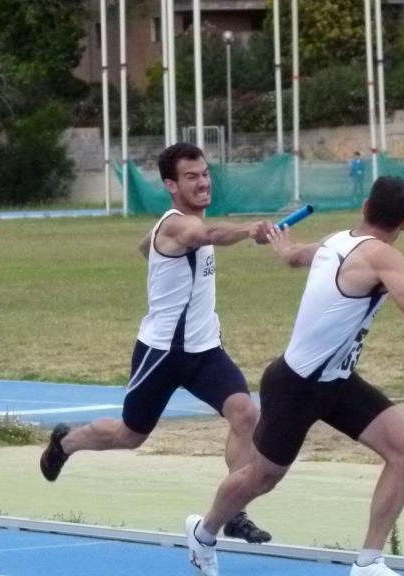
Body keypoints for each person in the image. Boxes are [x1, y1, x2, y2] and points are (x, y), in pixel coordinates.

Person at [184, 176, 404, 576]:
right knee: (260, 477)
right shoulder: (383, 258)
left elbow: (295, 256)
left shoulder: (337, 240)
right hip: (296, 386)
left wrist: (283, 247)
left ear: (366, 208)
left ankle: (369, 562)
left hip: (336, 381)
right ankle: (203, 532)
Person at [40, 143, 274, 544]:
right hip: (162, 353)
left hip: (205, 351)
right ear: (171, 185)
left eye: (205, 174)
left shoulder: (173, 228)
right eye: (191, 177)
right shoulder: (180, 226)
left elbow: (145, 246)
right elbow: (208, 234)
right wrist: (248, 230)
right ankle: (66, 442)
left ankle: (235, 512)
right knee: (130, 435)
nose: (202, 182)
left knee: (245, 414)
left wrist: (161, 258)